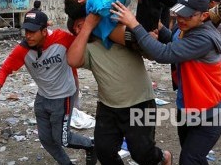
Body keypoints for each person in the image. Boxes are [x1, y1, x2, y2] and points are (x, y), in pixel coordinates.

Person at [111, 0, 221, 165]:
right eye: (178, 13)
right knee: (195, 157)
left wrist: (134, 24)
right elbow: (173, 39)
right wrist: (154, 22)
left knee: (189, 159)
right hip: (188, 107)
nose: (180, 19)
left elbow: (164, 54)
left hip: (211, 112)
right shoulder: (186, 28)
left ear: (204, 16)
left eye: (187, 15)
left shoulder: (204, 38)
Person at [0, 11, 96, 165]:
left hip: (63, 97)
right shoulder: (23, 50)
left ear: (44, 31)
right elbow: (4, 69)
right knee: (46, 139)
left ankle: (91, 145)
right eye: (26, 31)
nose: (28, 36)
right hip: (43, 98)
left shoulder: (62, 38)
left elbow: (84, 45)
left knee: (61, 138)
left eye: (32, 32)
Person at [66, 15, 172, 165]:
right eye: (74, 29)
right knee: (104, 151)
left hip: (140, 102)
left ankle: (163, 157)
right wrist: (86, 29)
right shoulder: (87, 47)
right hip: (108, 107)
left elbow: (150, 53)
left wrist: (150, 39)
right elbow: (72, 60)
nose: (78, 30)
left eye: (79, 24)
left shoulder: (119, 34)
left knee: (142, 154)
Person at [64, 0, 181, 49]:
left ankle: (175, 39)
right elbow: (105, 10)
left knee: (159, 1)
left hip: (133, 37)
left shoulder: (92, 18)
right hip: (134, 34)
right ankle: (189, 2)